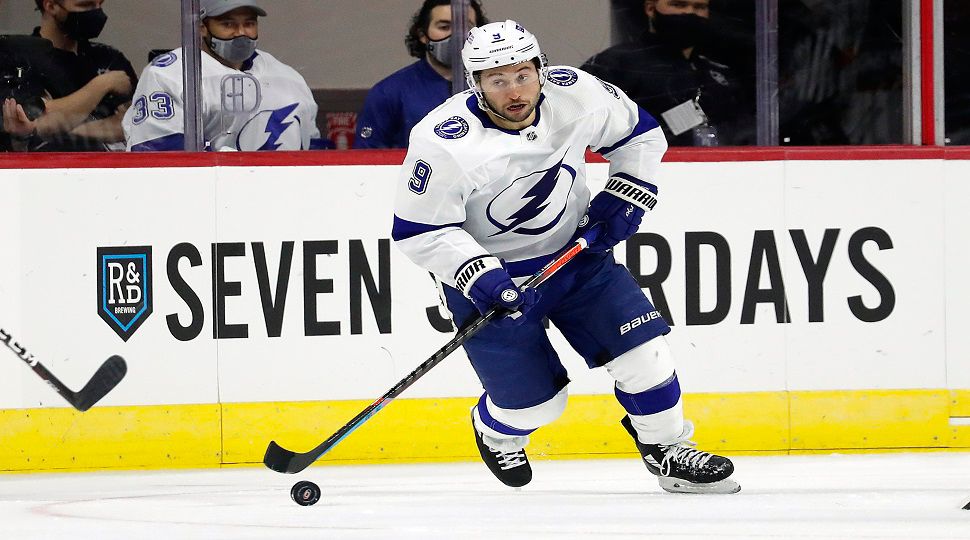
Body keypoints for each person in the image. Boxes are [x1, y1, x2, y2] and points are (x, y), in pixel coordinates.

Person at [392, 20, 739, 494]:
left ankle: (668, 450)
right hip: (493, 281)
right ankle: (495, 431)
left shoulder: (576, 93)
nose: (514, 91)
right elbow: (419, 230)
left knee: (646, 355)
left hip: (575, 257)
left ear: (540, 67)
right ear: (475, 84)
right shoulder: (443, 141)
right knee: (537, 408)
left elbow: (640, 134)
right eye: (496, 80)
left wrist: (627, 193)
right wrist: (479, 275)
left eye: (522, 74)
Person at [123, 0, 324, 151]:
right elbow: (159, 156)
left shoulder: (288, 77)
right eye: (228, 24)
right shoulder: (169, 75)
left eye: (249, 24)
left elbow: (314, 149)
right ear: (202, 27)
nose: (241, 33)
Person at [581, 0, 752, 147]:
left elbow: (745, 135)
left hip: (721, 174)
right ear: (650, 8)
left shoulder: (720, 74)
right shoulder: (615, 64)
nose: (689, 13)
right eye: (678, 4)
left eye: (699, 7)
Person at [2, 0, 136, 151]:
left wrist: (60, 124)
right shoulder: (21, 58)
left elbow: (130, 124)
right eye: (85, 5)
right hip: (50, 169)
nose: (97, 12)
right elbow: (29, 119)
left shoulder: (110, 58)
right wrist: (103, 85)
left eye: (99, 4)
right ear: (51, 6)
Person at [354, 0, 487, 149]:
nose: (456, 36)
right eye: (444, 27)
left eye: (465, 27)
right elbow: (366, 160)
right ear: (423, 35)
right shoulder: (389, 92)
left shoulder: (493, 88)